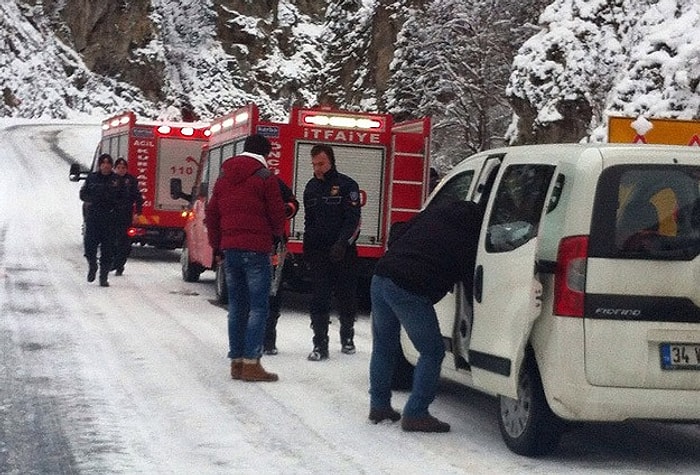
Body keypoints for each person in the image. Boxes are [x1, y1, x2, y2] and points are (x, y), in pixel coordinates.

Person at [368, 199, 484, 433]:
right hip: (408, 288)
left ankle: (379, 406)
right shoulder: (469, 236)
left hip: (381, 276)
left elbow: (397, 230)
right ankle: (416, 413)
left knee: (383, 346)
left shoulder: (432, 214)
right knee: (432, 351)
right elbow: (471, 278)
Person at [205, 134, 286, 382]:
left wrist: (217, 246)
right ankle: (252, 362)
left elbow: (211, 213)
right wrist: (276, 236)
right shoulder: (266, 177)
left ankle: (237, 362)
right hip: (256, 249)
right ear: (265, 154)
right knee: (258, 307)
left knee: (237, 307)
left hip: (230, 249)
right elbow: (276, 214)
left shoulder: (223, 177)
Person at [302, 144, 361, 361]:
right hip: (319, 252)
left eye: (322, 163)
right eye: (315, 164)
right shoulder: (310, 188)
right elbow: (309, 221)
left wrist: (342, 244)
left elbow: (354, 220)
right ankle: (320, 344)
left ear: (331, 162)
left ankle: (347, 336)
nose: (318, 168)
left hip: (343, 251)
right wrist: (306, 250)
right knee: (319, 297)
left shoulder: (347, 185)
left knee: (346, 296)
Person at [263, 177, 299, 355]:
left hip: (267, 246)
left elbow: (293, 203)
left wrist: (285, 210)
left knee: (270, 291)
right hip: (266, 245)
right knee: (271, 292)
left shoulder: (272, 181)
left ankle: (262, 340)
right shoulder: (270, 180)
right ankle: (265, 340)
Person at [79, 153, 120, 287]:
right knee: (89, 246)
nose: (106, 165)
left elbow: (123, 197)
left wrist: (116, 207)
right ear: (100, 165)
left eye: (108, 163)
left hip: (110, 219)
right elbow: (83, 193)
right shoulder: (92, 178)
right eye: (103, 163)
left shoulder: (117, 180)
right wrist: (90, 200)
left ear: (111, 166)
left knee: (107, 250)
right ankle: (92, 266)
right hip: (94, 217)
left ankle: (103, 277)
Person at [112, 157, 144, 276]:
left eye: (123, 168)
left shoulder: (131, 181)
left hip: (126, 216)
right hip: (112, 215)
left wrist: (138, 213)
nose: (121, 170)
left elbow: (138, 197)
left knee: (125, 243)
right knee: (112, 241)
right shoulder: (110, 179)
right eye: (119, 168)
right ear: (115, 168)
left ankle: (120, 265)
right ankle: (113, 262)